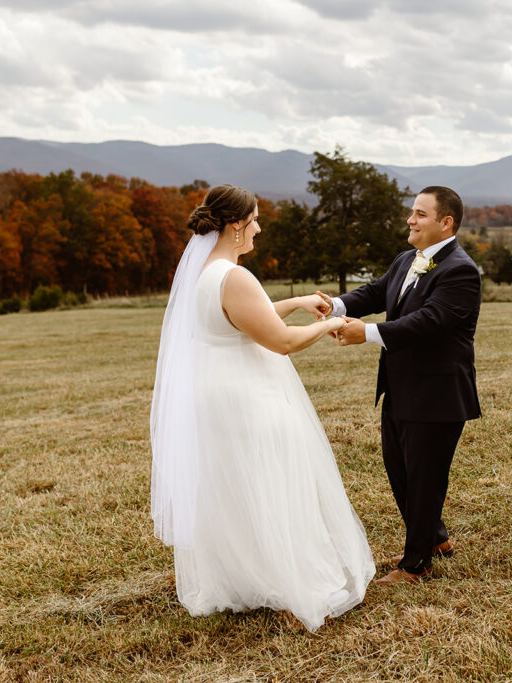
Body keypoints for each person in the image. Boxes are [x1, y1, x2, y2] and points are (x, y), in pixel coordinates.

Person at [150, 184, 374, 632]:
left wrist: (293, 302)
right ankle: (289, 583)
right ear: (235, 225)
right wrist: (332, 321)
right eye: (254, 219)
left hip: (214, 392)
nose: (259, 227)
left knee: (236, 485)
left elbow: (242, 317)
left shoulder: (206, 272)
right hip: (247, 393)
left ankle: (241, 577)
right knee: (273, 479)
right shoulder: (236, 276)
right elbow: (281, 341)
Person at [322, 185, 481, 586]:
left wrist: (368, 333)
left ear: (445, 223)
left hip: (437, 394)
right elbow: (377, 291)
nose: (411, 220)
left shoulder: (460, 270)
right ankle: (436, 539)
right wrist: (336, 306)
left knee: (425, 478)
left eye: (420, 214)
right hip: (400, 388)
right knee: (401, 471)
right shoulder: (407, 260)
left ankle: (416, 564)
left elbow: (428, 322)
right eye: (412, 212)